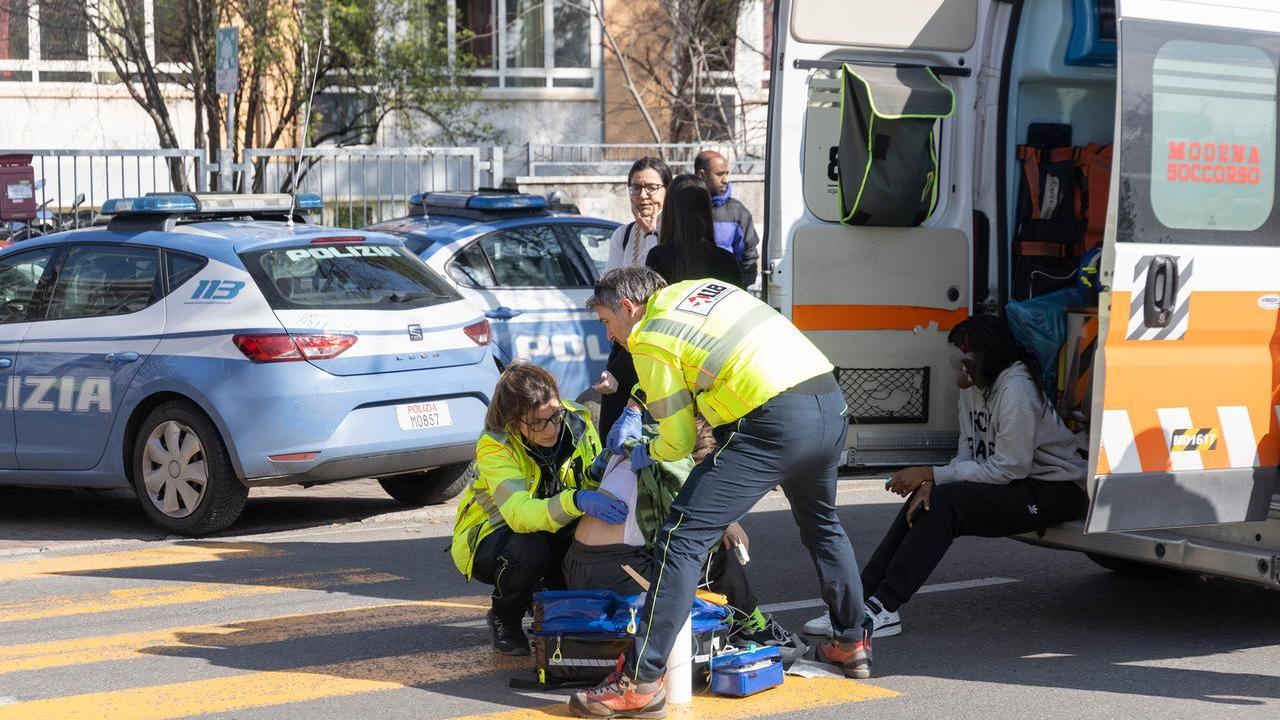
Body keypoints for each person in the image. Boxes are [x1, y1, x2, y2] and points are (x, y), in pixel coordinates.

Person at [570, 268, 870, 718]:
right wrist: (638, 397)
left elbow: (676, 439)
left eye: (606, 321)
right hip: (829, 404)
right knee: (823, 526)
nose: (611, 335)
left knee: (680, 539)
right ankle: (852, 643)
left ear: (629, 308)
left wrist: (645, 447)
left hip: (772, 423)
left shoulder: (649, 336)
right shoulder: (702, 291)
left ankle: (640, 680)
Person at [803, 314, 1088, 639]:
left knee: (943, 503)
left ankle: (884, 607)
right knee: (924, 501)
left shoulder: (1017, 390)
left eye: (963, 360)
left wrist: (933, 475)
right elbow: (969, 454)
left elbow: (1012, 467)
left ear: (986, 357)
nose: (957, 368)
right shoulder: (974, 388)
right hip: (1019, 481)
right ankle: (855, 606)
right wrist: (933, 481)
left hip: (1055, 488)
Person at [562, 420, 803, 656]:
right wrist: (729, 524)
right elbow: (689, 536)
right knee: (717, 553)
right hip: (618, 574)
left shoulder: (639, 443)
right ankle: (752, 625)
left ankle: (735, 617)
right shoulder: (673, 466)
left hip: (579, 565)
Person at [450, 362, 628, 656]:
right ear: (513, 420)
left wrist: (607, 464)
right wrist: (577, 500)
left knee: (591, 546)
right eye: (537, 423)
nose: (551, 428)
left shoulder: (577, 420)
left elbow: (590, 481)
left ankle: (549, 604)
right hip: (495, 535)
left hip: (556, 522)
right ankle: (504, 618)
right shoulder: (496, 445)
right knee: (530, 552)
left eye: (555, 416)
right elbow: (520, 515)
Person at [596, 157, 673, 442]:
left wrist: (655, 233)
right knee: (611, 427)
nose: (643, 196)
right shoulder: (624, 235)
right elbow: (608, 288)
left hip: (658, 345)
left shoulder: (672, 237)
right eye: (635, 188)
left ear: (667, 190)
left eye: (651, 188)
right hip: (625, 339)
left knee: (654, 428)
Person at [644, 174, 741, 288]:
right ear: (706, 210)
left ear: (670, 210)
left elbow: (652, 303)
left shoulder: (657, 257)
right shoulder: (726, 259)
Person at [695, 150, 760, 288]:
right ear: (702, 175)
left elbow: (749, 254)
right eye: (719, 174)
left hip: (728, 293)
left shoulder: (737, 211)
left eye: (726, 173)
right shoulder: (685, 208)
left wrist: (740, 287)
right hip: (691, 294)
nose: (725, 180)